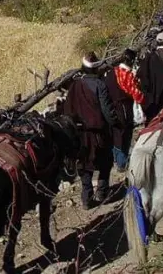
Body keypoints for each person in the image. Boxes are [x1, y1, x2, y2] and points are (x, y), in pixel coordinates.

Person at [61, 52, 120, 208]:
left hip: (79, 134)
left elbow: (68, 111)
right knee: (105, 162)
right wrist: (115, 122)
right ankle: (102, 192)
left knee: (84, 164)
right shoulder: (100, 85)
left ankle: (86, 198)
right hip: (98, 133)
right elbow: (107, 111)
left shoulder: (75, 86)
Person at [104, 49, 144, 173]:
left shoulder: (111, 73)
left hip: (111, 109)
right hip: (124, 110)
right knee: (124, 135)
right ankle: (122, 163)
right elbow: (136, 94)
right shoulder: (128, 75)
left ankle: (116, 159)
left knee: (115, 134)